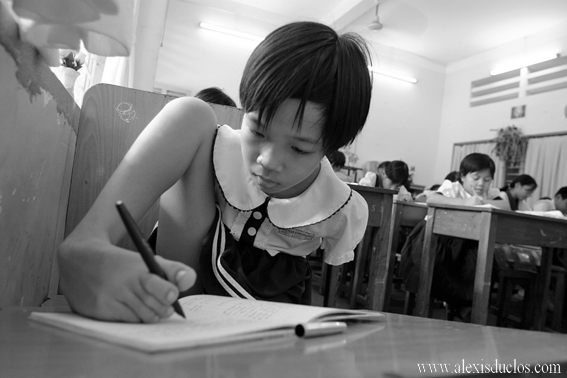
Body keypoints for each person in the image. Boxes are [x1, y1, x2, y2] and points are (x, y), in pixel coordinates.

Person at [58, 21, 373, 323]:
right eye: (258, 131)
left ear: (332, 146)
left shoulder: (341, 207)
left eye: (299, 149)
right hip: (188, 284)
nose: (268, 161)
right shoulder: (216, 148)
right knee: (190, 112)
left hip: (266, 313)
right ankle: (88, 242)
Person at [399, 153, 508, 321]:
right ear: (463, 176)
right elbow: (433, 199)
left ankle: (465, 310)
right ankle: (442, 307)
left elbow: (506, 206)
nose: (481, 184)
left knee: (486, 262)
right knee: (441, 267)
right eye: (476, 178)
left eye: (487, 180)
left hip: (468, 245)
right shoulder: (453, 188)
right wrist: (466, 203)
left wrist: (481, 201)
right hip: (437, 240)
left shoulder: (491, 194)